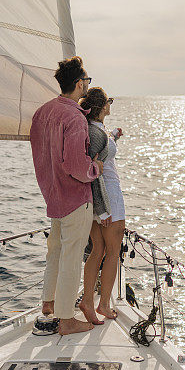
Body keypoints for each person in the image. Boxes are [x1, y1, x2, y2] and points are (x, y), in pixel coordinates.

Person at [29, 56, 105, 335]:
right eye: (86, 81)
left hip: (53, 196)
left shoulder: (42, 112)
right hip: (74, 197)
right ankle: (66, 320)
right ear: (78, 83)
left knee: (55, 252)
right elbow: (76, 166)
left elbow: (41, 155)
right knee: (72, 256)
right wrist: (94, 168)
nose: (87, 85)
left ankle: (49, 304)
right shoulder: (74, 117)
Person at [79, 87, 126, 320]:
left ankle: (88, 301)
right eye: (108, 101)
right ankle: (103, 305)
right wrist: (104, 210)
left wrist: (114, 136)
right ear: (101, 107)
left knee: (97, 250)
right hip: (109, 198)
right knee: (113, 252)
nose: (110, 105)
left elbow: (101, 153)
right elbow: (97, 173)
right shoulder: (96, 134)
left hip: (98, 200)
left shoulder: (94, 130)